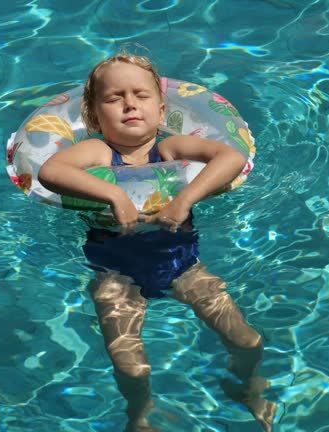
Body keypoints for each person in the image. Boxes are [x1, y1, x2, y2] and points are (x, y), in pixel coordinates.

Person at [38, 52, 277, 432]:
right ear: (95, 116)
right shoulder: (100, 152)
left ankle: (245, 386)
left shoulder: (169, 149)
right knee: (131, 366)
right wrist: (115, 195)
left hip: (184, 265)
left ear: (162, 109)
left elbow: (229, 157)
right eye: (115, 97)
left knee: (248, 341)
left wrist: (184, 199)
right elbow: (50, 170)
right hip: (115, 272)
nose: (130, 104)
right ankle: (140, 413)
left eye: (140, 95)